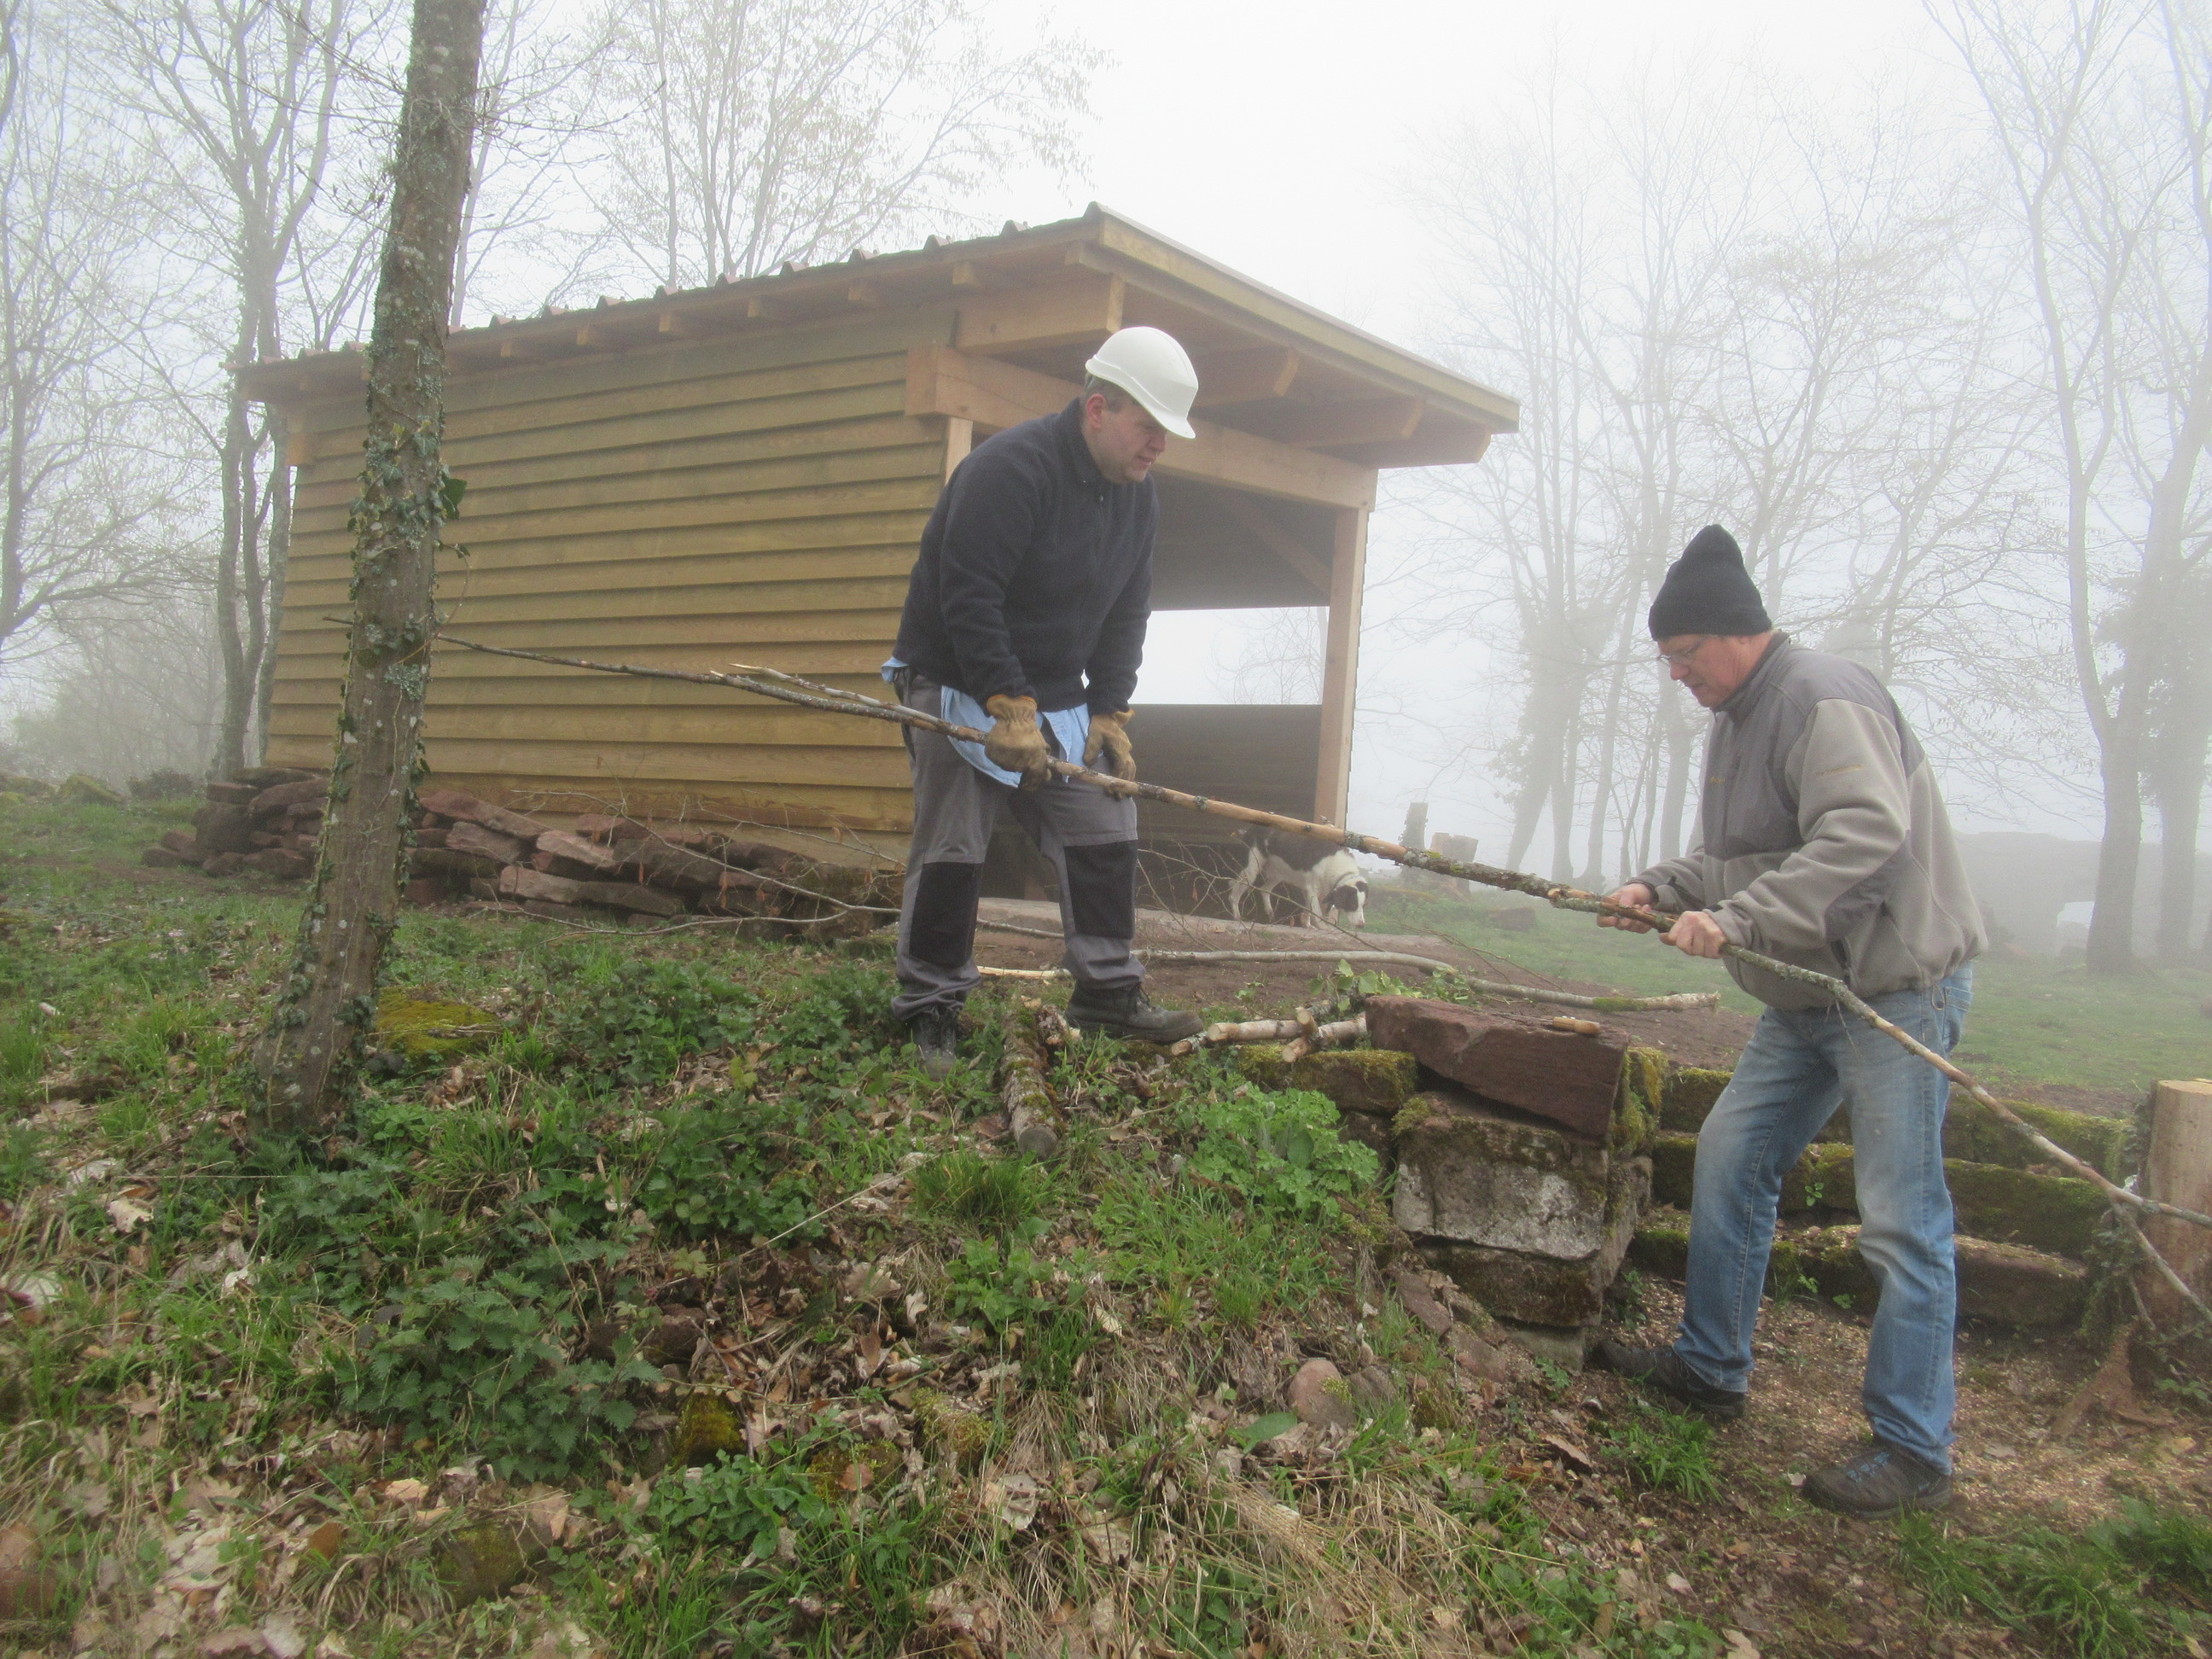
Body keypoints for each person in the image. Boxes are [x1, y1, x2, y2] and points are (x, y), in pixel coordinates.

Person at [1592, 524, 1984, 1517]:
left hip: (1888, 994)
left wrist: (1737, 921)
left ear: (1736, 632)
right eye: (1667, 660)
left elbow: (1866, 835)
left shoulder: (1822, 696)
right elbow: (1739, 860)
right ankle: (1711, 1367)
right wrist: (1660, 886)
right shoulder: (1736, 720)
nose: (1678, 675)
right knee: (1731, 1154)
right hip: (1805, 995)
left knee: (1900, 1218)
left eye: (1685, 654)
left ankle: (1915, 1448)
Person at [883, 326, 1208, 1077]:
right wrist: (1006, 704)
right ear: (1097, 409)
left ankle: (1107, 993)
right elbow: (968, 595)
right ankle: (930, 1003)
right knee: (954, 843)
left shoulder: (1138, 499)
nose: (1159, 444)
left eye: (1167, 431)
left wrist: (1109, 709)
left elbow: (1128, 610)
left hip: (1059, 698)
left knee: (1105, 823)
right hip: (959, 678)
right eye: (1148, 425)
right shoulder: (1010, 470)